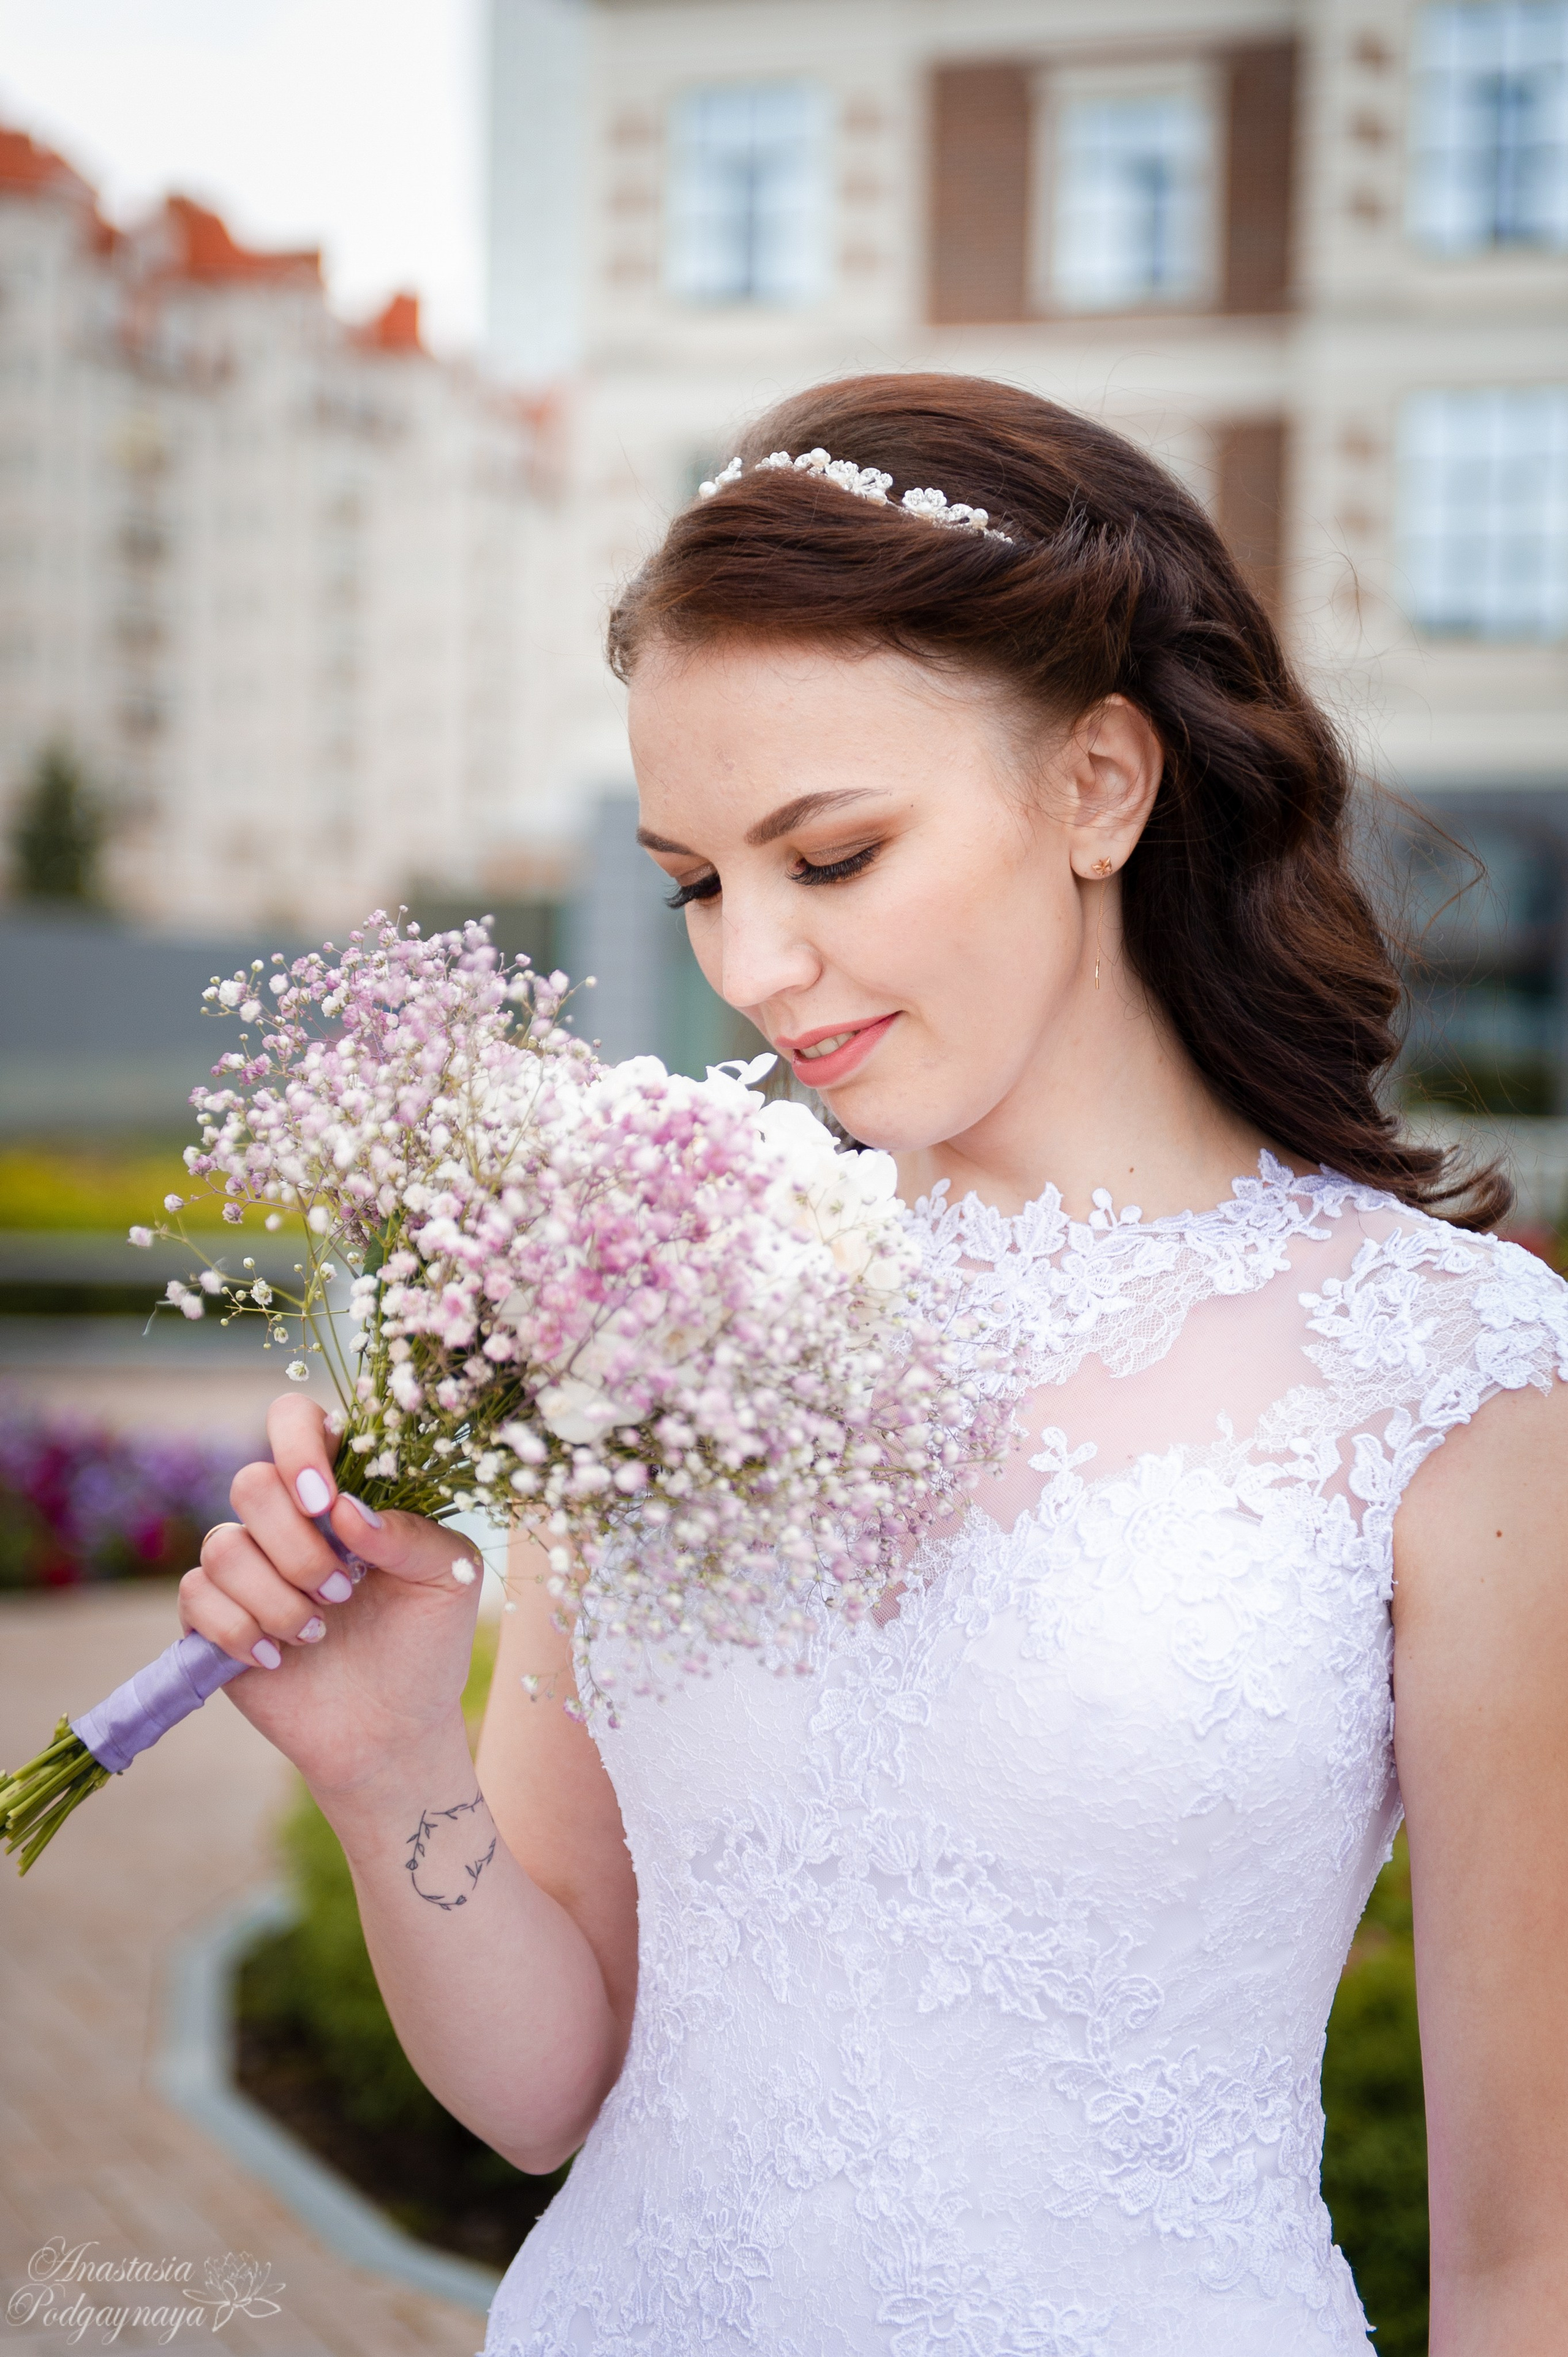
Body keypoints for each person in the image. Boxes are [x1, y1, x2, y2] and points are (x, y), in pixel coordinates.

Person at [178, 377, 1568, 2356]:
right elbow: (551, 2088)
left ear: (1100, 783)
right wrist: (388, 1759)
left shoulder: (1459, 1376)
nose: (749, 965)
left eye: (828, 857)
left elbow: (1536, 2263)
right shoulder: (659, 1306)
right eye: (697, 879)